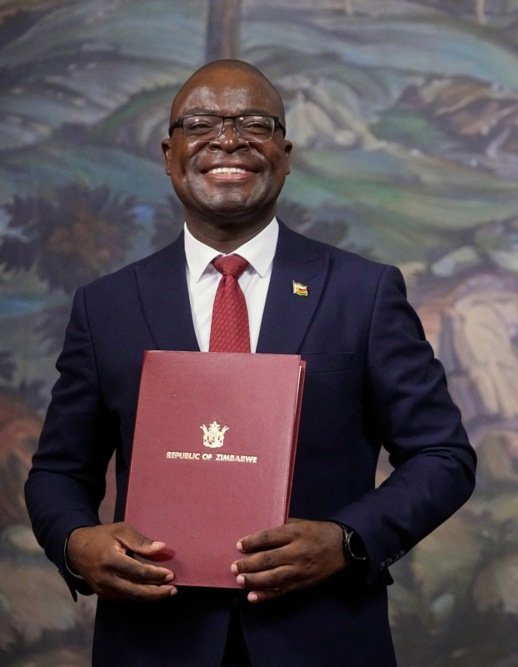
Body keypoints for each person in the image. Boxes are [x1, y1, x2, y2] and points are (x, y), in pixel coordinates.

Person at [24, 59, 476, 667]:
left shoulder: (361, 294)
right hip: (153, 642)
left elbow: (443, 457)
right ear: (168, 152)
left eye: (253, 123)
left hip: (323, 638)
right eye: (201, 123)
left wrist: (347, 542)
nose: (228, 140)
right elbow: (57, 473)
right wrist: (76, 543)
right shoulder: (107, 307)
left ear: (285, 153)